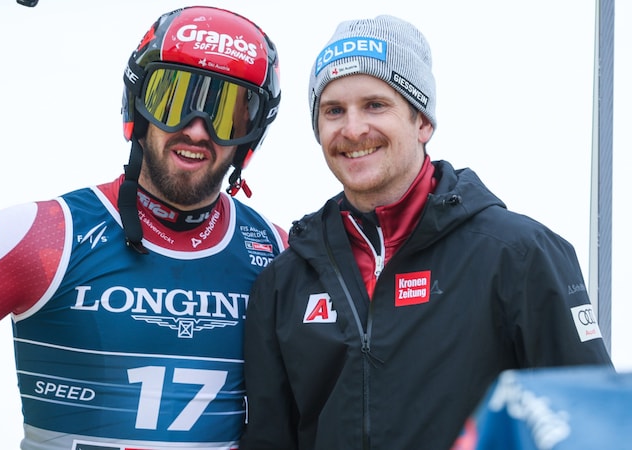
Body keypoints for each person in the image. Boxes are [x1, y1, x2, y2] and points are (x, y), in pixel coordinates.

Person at [0, 6, 286, 449]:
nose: (198, 130)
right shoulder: (47, 235)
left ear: (252, 134)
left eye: (225, 113)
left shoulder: (278, 253)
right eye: (175, 100)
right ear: (140, 107)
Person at [239, 14, 614, 450]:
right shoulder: (285, 281)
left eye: (375, 105)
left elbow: (589, 428)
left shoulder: (520, 255)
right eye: (333, 111)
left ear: (422, 122)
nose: (353, 129)